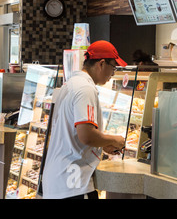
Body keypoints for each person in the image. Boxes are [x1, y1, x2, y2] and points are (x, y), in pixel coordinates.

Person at [42, 40, 127, 199]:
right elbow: (86, 135)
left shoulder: (72, 83)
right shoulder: (85, 88)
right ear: (101, 64)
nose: (113, 74)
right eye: (113, 68)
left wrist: (103, 144)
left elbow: (73, 133)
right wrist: (115, 139)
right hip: (72, 183)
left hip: (59, 179)